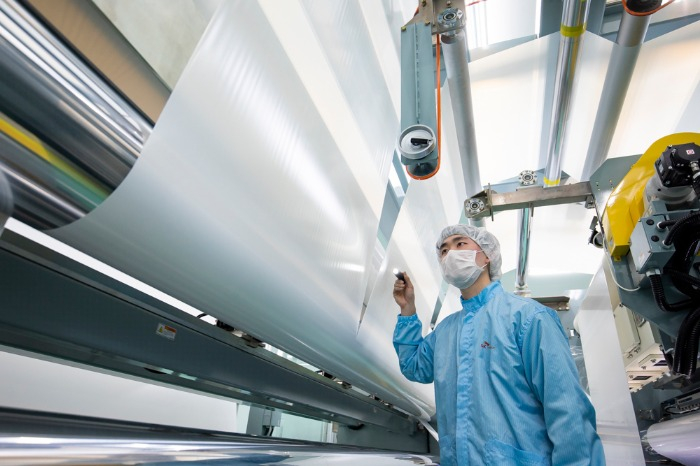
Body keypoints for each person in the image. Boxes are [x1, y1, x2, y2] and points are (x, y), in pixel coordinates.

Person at [392, 224, 605, 466]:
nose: (450, 254)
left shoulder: (528, 318)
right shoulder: (446, 331)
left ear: (487, 255)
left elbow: (568, 411)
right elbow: (414, 367)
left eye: (460, 244)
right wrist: (407, 310)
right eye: (443, 251)